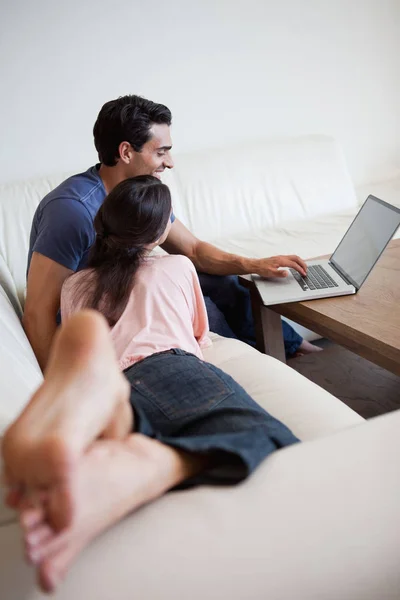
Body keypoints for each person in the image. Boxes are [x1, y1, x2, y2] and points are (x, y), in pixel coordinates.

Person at [2, 176, 299, 593]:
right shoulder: (177, 266)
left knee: (139, 404)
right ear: (160, 234)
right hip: (175, 369)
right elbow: (200, 338)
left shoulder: (74, 285)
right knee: (276, 445)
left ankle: (109, 414)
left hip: (119, 377)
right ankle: (150, 457)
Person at [24, 94, 321, 372]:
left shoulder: (139, 195)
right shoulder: (71, 210)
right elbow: (39, 312)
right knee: (195, 303)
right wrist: (62, 387)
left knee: (223, 279)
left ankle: (293, 347)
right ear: (126, 152)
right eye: (161, 152)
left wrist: (255, 264)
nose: (170, 162)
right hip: (94, 316)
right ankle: (246, 366)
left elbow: (193, 250)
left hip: (125, 286)